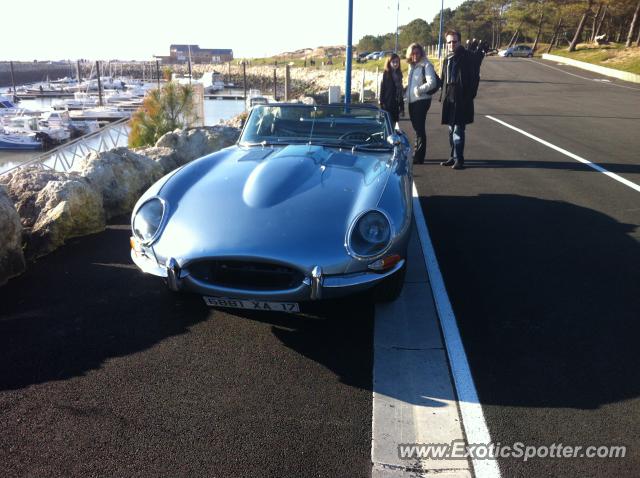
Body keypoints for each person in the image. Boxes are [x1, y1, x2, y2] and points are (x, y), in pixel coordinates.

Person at [439, 30, 480, 170]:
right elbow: (443, 80)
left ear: (459, 42)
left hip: (461, 98)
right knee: (451, 129)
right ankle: (452, 157)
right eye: (449, 42)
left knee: (458, 129)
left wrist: (469, 95)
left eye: (454, 41)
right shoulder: (447, 58)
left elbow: (475, 77)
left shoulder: (467, 56)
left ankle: (459, 159)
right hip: (449, 96)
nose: (452, 44)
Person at [405, 42, 438, 164]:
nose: (415, 55)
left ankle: (419, 156)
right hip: (412, 101)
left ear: (421, 53)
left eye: (417, 53)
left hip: (422, 100)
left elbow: (432, 83)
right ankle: (417, 153)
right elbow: (411, 84)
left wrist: (418, 90)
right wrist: (405, 93)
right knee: (416, 128)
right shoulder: (412, 66)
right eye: (412, 53)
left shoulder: (426, 65)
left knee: (419, 129)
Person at [379, 53, 404, 125]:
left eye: (397, 62)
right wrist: (381, 103)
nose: (395, 64)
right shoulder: (386, 74)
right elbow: (382, 88)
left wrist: (402, 107)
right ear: (389, 63)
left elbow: (400, 91)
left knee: (393, 125)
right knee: (387, 125)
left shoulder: (399, 74)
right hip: (387, 104)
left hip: (396, 104)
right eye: (393, 62)